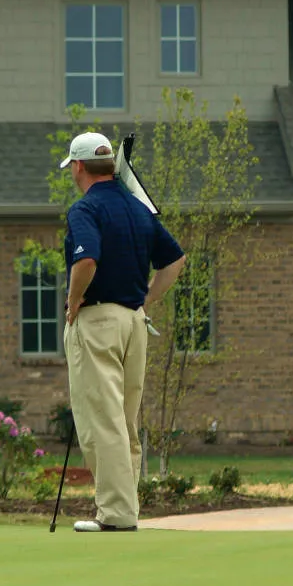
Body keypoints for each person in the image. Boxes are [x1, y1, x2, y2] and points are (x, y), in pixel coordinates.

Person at [58, 131, 186, 532]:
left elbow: (87, 260)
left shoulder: (85, 209)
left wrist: (73, 301)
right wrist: (146, 300)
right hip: (135, 322)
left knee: (103, 422)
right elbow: (174, 260)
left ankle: (115, 514)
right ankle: (125, 510)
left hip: (98, 322)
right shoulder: (136, 207)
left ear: (79, 166)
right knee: (124, 422)